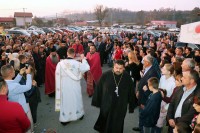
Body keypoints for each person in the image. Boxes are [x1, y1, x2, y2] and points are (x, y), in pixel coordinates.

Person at [92, 60, 137, 133]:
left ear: (124, 68)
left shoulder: (127, 77)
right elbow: (98, 88)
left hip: (121, 104)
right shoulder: (106, 75)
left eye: (120, 68)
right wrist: (97, 101)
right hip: (107, 103)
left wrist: (132, 104)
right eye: (116, 68)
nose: (118, 70)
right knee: (106, 119)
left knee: (118, 121)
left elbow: (131, 91)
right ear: (113, 66)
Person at [55, 48, 90, 125]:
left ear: (67, 53)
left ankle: (65, 119)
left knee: (66, 101)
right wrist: (83, 59)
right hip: (75, 85)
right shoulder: (77, 63)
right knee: (76, 99)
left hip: (64, 85)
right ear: (74, 54)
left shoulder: (60, 64)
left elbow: (57, 75)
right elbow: (87, 67)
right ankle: (79, 114)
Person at [1, 64, 33, 132]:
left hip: (11, 109)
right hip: (21, 109)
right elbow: (28, 87)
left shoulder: (4, 84)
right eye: (13, 70)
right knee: (26, 128)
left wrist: (20, 75)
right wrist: (28, 74)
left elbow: (13, 82)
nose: (14, 71)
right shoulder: (14, 86)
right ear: (10, 73)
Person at [133, 55, 161, 132]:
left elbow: (151, 88)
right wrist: (138, 90)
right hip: (142, 95)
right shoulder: (147, 69)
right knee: (141, 115)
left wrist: (144, 102)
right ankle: (140, 126)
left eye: (143, 61)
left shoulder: (152, 73)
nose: (142, 62)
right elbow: (143, 82)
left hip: (145, 99)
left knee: (144, 115)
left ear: (147, 63)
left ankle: (142, 129)